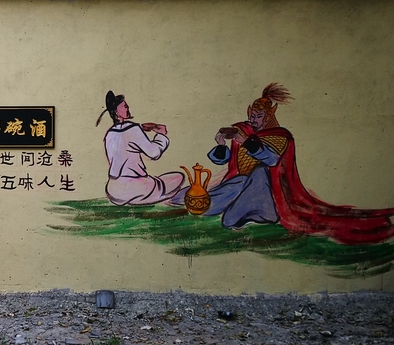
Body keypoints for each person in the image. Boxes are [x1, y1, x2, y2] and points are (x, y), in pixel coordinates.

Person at [175, 83, 394, 244]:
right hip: (240, 182)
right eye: (252, 114)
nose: (253, 119)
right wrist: (222, 144)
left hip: (265, 188)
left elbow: (271, 159)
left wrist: (246, 141)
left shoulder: (280, 136)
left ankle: (256, 214)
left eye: (258, 116)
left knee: (231, 216)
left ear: (268, 116)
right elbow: (222, 159)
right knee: (201, 203)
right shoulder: (242, 129)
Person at [98, 90, 184, 205]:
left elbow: (125, 137)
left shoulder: (110, 134)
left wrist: (142, 127)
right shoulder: (133, 129)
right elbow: (154, 153)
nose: (128, 108)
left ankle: (144, 196)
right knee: (178, 177)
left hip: (114, 191)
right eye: (125, 106)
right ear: (116, 112)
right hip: (136, 187)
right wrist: (161, 135)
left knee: (158, 181)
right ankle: (151, 197)